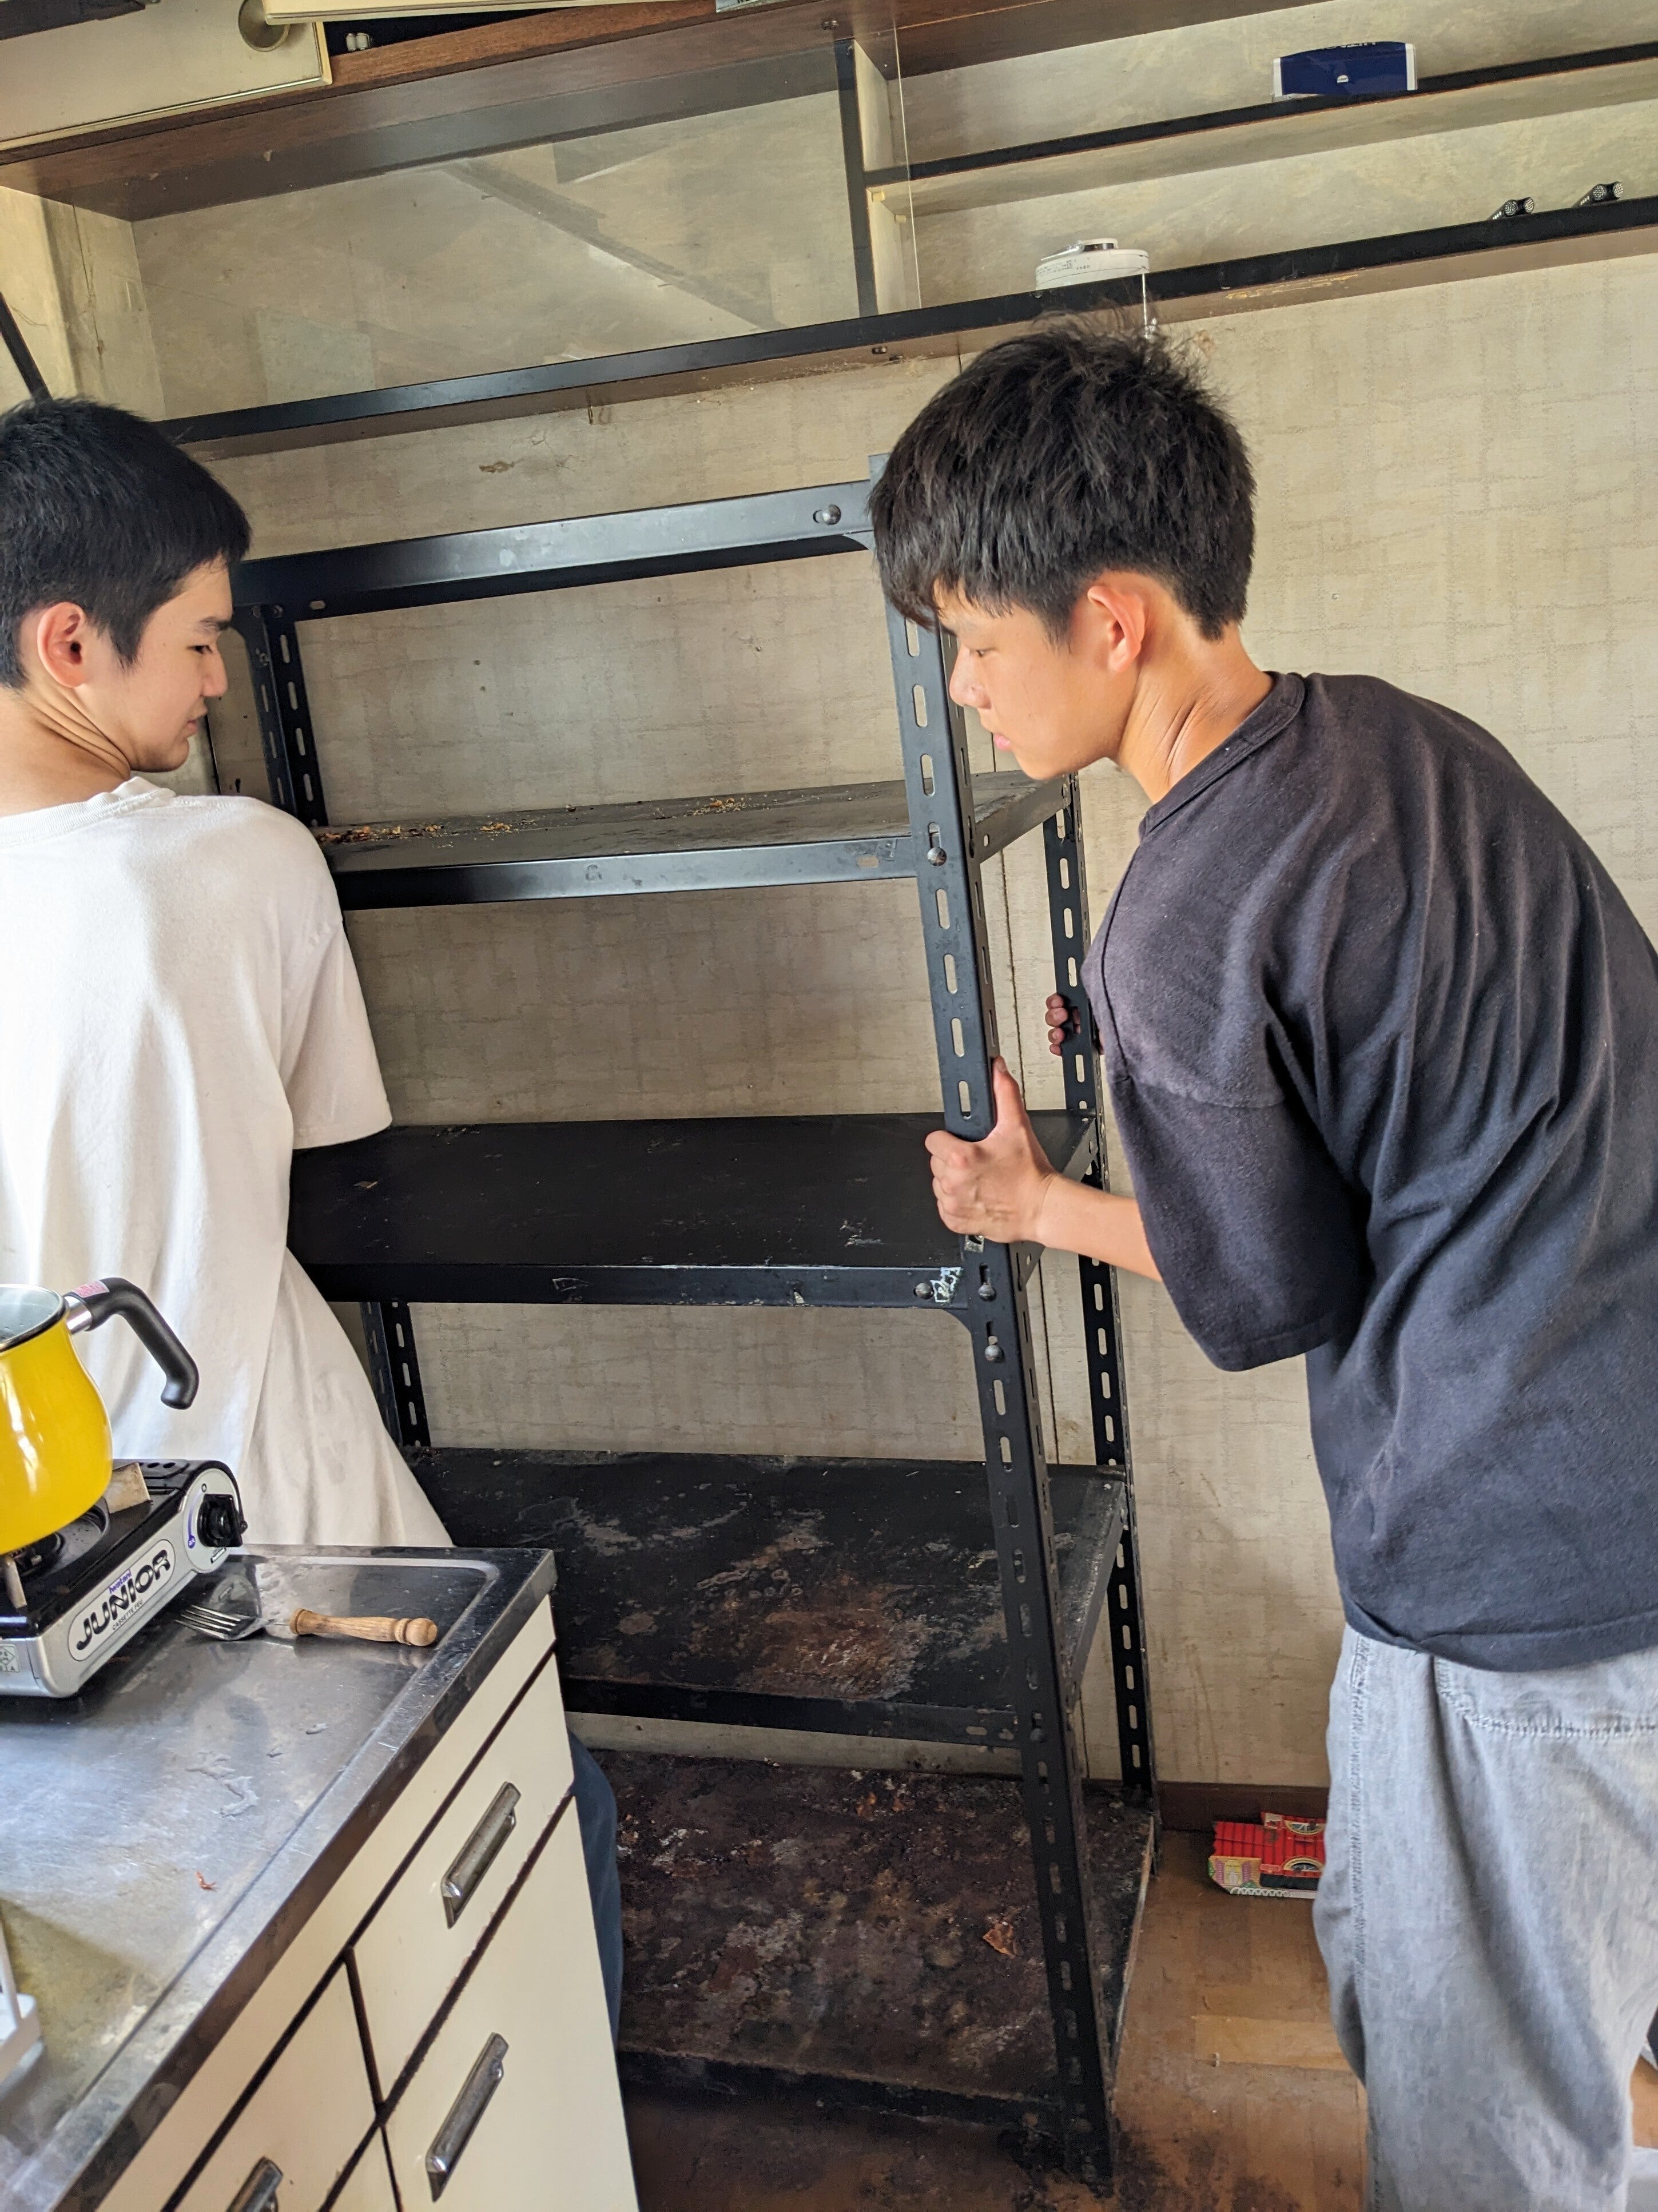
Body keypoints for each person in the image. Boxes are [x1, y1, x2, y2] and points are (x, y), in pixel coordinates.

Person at [869, 327, 1658, 2212]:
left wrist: (1028, 1206)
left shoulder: (1182, 914)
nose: (964, 687)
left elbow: (1264, 1292)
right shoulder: (1412, 740)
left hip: (1517, 1581)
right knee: (1515, 2011)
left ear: (1111, 619)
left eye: (973, 639)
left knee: (1484, 2137)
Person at [0, 393, 621, 2037]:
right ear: (70, 642)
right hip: (267, 1496)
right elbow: (331, 1133)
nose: (218, 680)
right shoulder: (241, 859)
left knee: (212, 1973)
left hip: (42, 1557)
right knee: (525, 1831)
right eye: (200, 640)